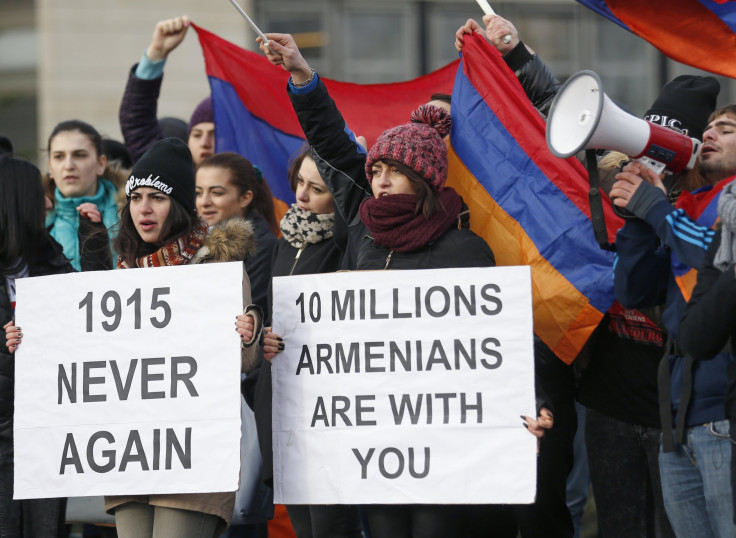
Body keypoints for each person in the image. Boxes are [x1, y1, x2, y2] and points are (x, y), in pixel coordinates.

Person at [258, 32, 553, 538]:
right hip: (379, 438)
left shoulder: (463, 248)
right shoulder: (364, 227)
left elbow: (503, 337)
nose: (381, 180)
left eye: (396, 170)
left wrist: (536, 398)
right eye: (377, 170)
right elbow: (330, 142)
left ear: (424, 177)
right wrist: (303, 75)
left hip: (444, 442)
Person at [6, 137, 263, 538]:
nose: (144, 208)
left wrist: (247, 335)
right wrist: (33, 339)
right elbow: (86, 351)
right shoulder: (122, 274)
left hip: (190, 456)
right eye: (137, 197)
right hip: (132, 454)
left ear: (177, 205)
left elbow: (244, 362)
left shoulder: (216, 266)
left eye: (157, 198)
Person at [613, 105, 736, 537]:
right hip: (679, 418)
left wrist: (657, 211)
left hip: (725, 411)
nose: (711, 135)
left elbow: (718, 259)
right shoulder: (687, 206)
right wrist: (637, 222)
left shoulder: (711, 211)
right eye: (707, 129)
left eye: (727, 128)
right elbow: (634, 292)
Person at [244, 145, 364, 538]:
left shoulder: (346, 244)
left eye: (318, 188)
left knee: (332, 525)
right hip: (283, 406)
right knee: (303, 526)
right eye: (299, 181)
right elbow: (267, 310)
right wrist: (262, 337)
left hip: (327, 409)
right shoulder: (286, 240)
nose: (301, 195)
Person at [1, 153, 75, 537]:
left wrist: (93, 245)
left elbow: (86, 318)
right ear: (16, 202)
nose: (49, 203)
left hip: (46, 437)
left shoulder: (50, 258)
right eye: (39, 194)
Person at [119, 15, 214, 166]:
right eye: (196, 134)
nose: (204, 143)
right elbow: (137, 123)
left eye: (214, 134)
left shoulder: (255, 177)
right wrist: (156, 54)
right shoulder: (172, 179)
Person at [196, 152, 278, 321]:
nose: (203, 202)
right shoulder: (190, 239)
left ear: (245, 198)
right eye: (198, 192)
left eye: (217, 193)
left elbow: (247, 312)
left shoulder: (261, 245)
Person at [45, 120, 125, 271]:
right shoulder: (32, 220)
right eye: (59, 156)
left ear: (101, 164)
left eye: (79, 155)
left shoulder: (132, 215)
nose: (68, 165)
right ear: (50, 167)